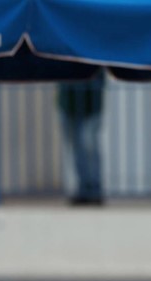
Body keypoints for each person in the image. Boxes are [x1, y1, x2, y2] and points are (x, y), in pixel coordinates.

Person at [57, 72, 106, 206]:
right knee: (75, 148)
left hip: (91, 106)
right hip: (68, 105)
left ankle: (94, 189)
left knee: (89, 144)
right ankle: (82, 189)